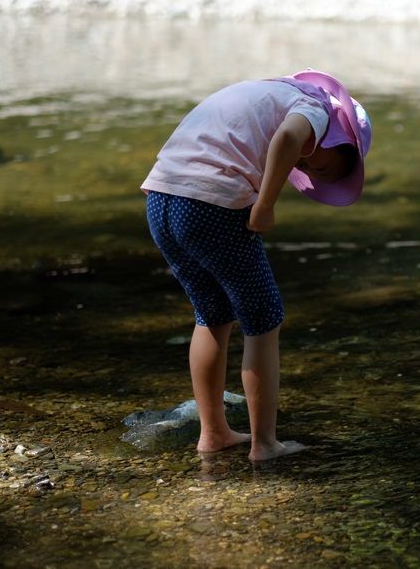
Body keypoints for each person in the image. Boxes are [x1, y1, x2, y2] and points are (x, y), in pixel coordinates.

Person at [142, 70, 372, 459]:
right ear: (340, 138)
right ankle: (266, 444)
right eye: (325, 168)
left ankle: (213, 434)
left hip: (162, 199)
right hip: (212, 203)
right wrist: (264, 206)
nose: (315, 172)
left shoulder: (267, 92)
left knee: (211, 314)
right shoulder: (318, 108)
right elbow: (286, 138)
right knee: (264, 316)